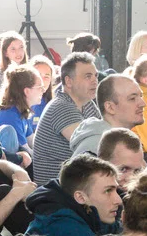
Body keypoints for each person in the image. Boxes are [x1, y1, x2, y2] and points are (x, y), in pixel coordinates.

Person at [26, 153, 123, 236]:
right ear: (80, 197)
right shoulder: (60, 225)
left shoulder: (92, 213)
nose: (118, 200)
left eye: (116, 190)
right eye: (108, 191)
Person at [31, 53, 100, 185]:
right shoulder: (61, 106)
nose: (94, 81)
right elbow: (94, 146)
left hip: (77, 182)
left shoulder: (87, 103)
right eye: (88, 76)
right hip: (56, 191)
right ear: (68, 81)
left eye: (95, 75)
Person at [70, 74, 146, 156]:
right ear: (110, 107)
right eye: (132, 98)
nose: (143, 104)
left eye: (141, 96)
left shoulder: (115, 142)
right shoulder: (97, 148)